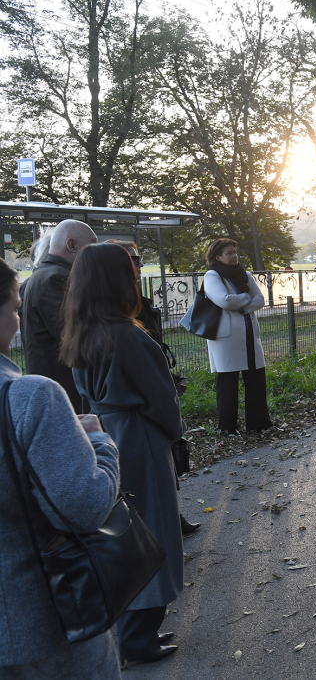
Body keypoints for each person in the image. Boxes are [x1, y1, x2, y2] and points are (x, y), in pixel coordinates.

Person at [61, 243, 184, 665]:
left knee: (123, 532)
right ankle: (139, 636)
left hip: (103, 430)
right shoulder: (130, 335)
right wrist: (175, 434)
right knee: (154, 530)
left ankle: (132, 627)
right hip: (138, 435)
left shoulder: (82, 331)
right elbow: (161, 399)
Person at [0, 257, 122, 678]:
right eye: (15, 309)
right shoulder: (29, 398)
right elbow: (84, 508)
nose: (18, 322)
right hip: (41, 627)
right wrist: (98, 442)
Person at [109, 240, 201, 536]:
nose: (138, 264)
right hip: (140, 419)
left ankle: (169, 515)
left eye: (138, 258)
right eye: (132, 259)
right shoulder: (121, 321)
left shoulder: (127, 306)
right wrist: (174, 425)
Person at [19, 219, 98, 412]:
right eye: (92, 245)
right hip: (65, 391)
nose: (96, 252)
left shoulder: (44, 275)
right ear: (72, 245)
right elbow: (75, 336)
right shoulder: (56, 279)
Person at [203, 238, 273, 435]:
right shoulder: (212, 276)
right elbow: (224, 301)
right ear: (218, 257)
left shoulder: (245, 274)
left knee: (256, 378)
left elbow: (261, 300)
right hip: (227, 338)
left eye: (235, 252)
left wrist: (241, 305)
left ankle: (259, 424)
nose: (234, 256)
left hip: (249, 333)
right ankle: (228, 428)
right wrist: (247, 299)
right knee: (228, 383)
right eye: (229, 253)